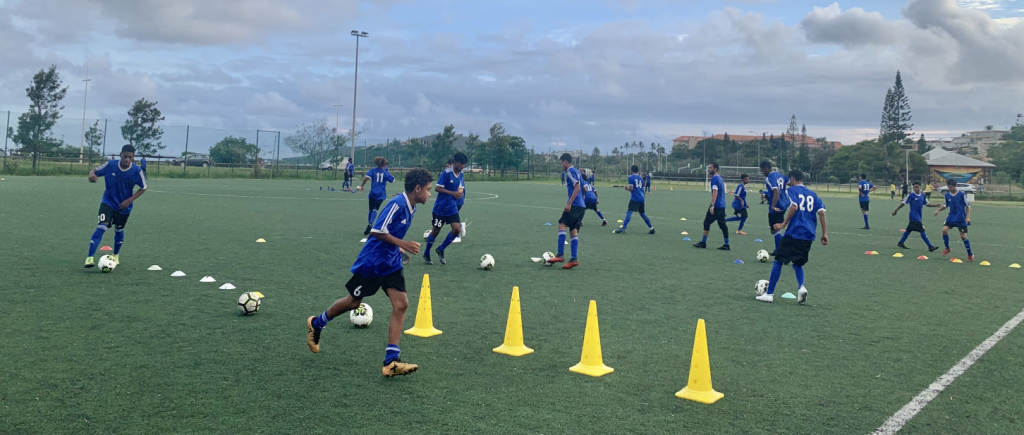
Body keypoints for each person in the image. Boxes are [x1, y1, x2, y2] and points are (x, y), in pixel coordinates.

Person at [305, 168, 433, 378]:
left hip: (390, 264)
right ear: (417, 189)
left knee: (401, 304)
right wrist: (404, 244)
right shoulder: (397, 204)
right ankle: (316, 323)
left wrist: (398, 248)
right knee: (353, 302)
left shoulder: (411, 207)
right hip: (372, 263)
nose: (429, 194)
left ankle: (391, 362)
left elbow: (390, 231)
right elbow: (377, 230)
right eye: (427, 190)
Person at [756, 170, 827, 304]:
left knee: (778, 261)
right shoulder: (813, 194)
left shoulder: (791, 191)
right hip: (809, 235)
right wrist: (824, 234)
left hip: (795, 232)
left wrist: (783, 223)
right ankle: (801, 287)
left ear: (793, 178)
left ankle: (769, 294)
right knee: (797, 263)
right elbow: (822, 213)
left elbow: (794, 207)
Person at [84, 145, 148, 268]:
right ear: (120, 155)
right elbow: (95, 170)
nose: (127, 159)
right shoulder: (110, 165)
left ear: (133, 157)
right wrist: (91, 174)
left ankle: (116, 256)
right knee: (102, 226)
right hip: (108, 201)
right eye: (125, 156)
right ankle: (89, 257)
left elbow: (143, 187)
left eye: (130, 157)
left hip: (124, 206)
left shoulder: (137, 171)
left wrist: (129, 200)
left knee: (119, 229)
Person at [424, 152, 467, 265]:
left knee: (457, 229)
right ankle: (426, 253)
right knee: (436, 231)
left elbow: (460, 188)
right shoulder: (447, 173)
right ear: (456, 162)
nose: (463, 166)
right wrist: (453, 193)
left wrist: (459, 193)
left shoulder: (461, 174)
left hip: (452, 208)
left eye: (464, 164)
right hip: (440, 209)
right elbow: (437, 188)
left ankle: (441, 249)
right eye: (461, 164)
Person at [547, 153, 586, 269]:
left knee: (562, 224)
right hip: (581, 206)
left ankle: (560, 254)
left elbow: (578, 187)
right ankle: (573, 259)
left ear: (565, 162)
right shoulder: (578, 172)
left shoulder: (569, 171)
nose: (561, 165)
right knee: (573, 230)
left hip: (574, 205)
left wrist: (569, 203)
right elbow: (584, 188)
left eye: (561, 163)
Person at [892, 181, 940, 251]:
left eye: (917, 187)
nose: (916, 188)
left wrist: (935, 205)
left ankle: (901, 242)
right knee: (922, 230)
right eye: (914, 187)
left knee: (908, 230)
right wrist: (896, 210)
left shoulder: (923, 195)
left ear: (920, 187)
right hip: (914, 216)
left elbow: (926, 204)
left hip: (918, 216)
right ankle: (930, 246)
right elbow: (903, 203)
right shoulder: (911, 195)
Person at [934, 178, 973, 261]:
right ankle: (947, 248)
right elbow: (945, 205)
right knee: (944, 230)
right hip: (951, 217)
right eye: (948, 187)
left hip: (961, 218)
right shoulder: (947, 195)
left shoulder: (961, 194)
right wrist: (938, 210)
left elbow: (968, 206)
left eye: (951, 187)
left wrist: (967, 217)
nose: (949, 189)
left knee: (963, 236)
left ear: (955, 186)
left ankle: (970, 254)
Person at [694, 162, 729, 250]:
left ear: (715, 169)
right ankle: (726, 244)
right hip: (722, 205)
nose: (708, 169)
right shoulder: (720, 178)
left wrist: (712, 205)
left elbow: (715, 192)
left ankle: (703, 242)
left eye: (710, 167)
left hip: (716, 206)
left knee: (707, 222)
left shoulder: (714, 179)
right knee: (722, 225)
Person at [613, 165, 655, 235]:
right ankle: (651, 228)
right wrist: (643, 200)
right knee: (642, 214)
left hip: (635, 198)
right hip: (641, 198)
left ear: (631, 170)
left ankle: (624, 227)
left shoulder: (630, 177)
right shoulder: (641, 178)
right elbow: (643, 190)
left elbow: (631, 188)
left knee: (629, 211)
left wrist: (627, 189)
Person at [359, 157, 395, 236]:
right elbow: (393, 180)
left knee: (371, 210)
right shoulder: (385, 172)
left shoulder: (372, 170)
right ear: (384, 164)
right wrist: (387, 172)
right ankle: (371, 223)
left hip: (372, 193)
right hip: (381, 194)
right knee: (376, 208)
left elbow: (366, 177)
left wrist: (362, 185)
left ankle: (369, 224)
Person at [760, 161, 791, 256]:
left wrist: (773, 206)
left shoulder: (769, 177)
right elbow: (790, 182)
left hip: (776, 207)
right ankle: (778, 250)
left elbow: (776, 191)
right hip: (784, 205)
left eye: (762, 170)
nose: (762, 172)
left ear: (766, 168)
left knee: (774, 230)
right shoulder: (780, 174)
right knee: (777, 228)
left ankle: (785, 252)